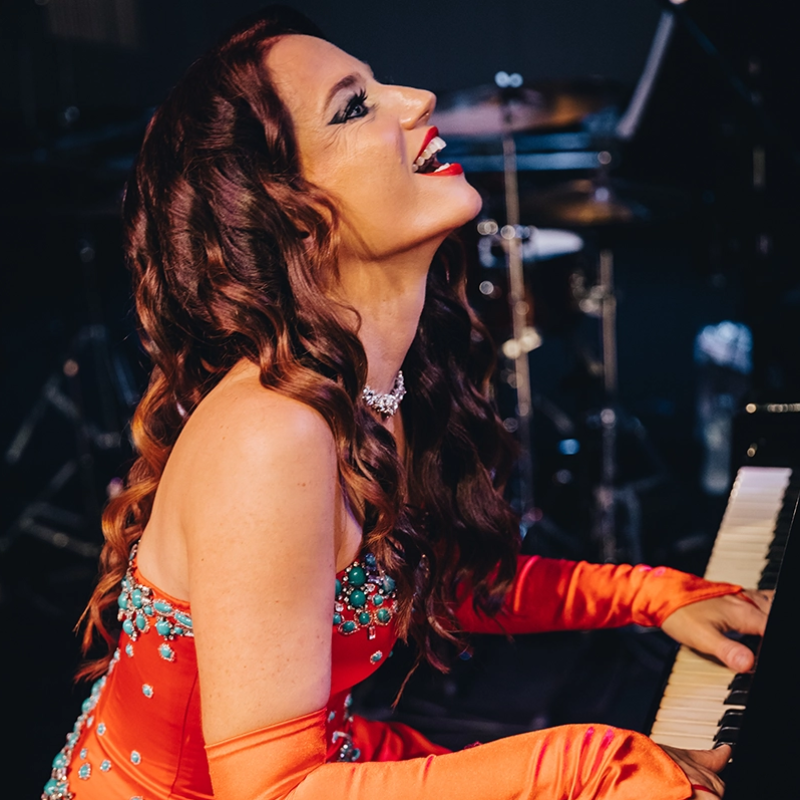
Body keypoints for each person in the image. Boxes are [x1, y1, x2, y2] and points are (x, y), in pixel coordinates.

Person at [43, 7, 772, 800]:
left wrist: (648, 595)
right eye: (356, 106)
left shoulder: (367, 380)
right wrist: (587, 765)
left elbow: (407, 585)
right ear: (294, 214)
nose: (419, 97)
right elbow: (273, 791)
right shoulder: (272, 435)